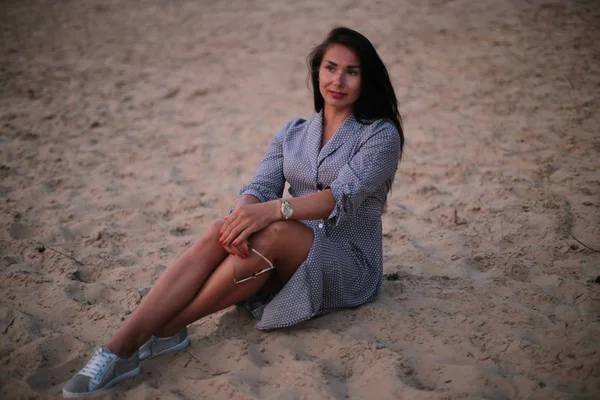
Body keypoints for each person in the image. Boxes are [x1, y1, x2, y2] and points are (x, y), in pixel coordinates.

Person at [62, 26, 404, 398]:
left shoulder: (380, 135)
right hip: (287, 248)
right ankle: (120, 346)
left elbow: (340, 198)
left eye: (351, 71)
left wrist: (273, 212)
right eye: (330, 68)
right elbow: (259, 187)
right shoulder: (294, 132)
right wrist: (243, 217)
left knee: (272, 231)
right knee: (221, 227)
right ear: (317, 72)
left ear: (365, 78)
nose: (338, 80)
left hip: (348, 261)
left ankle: (151, 334)